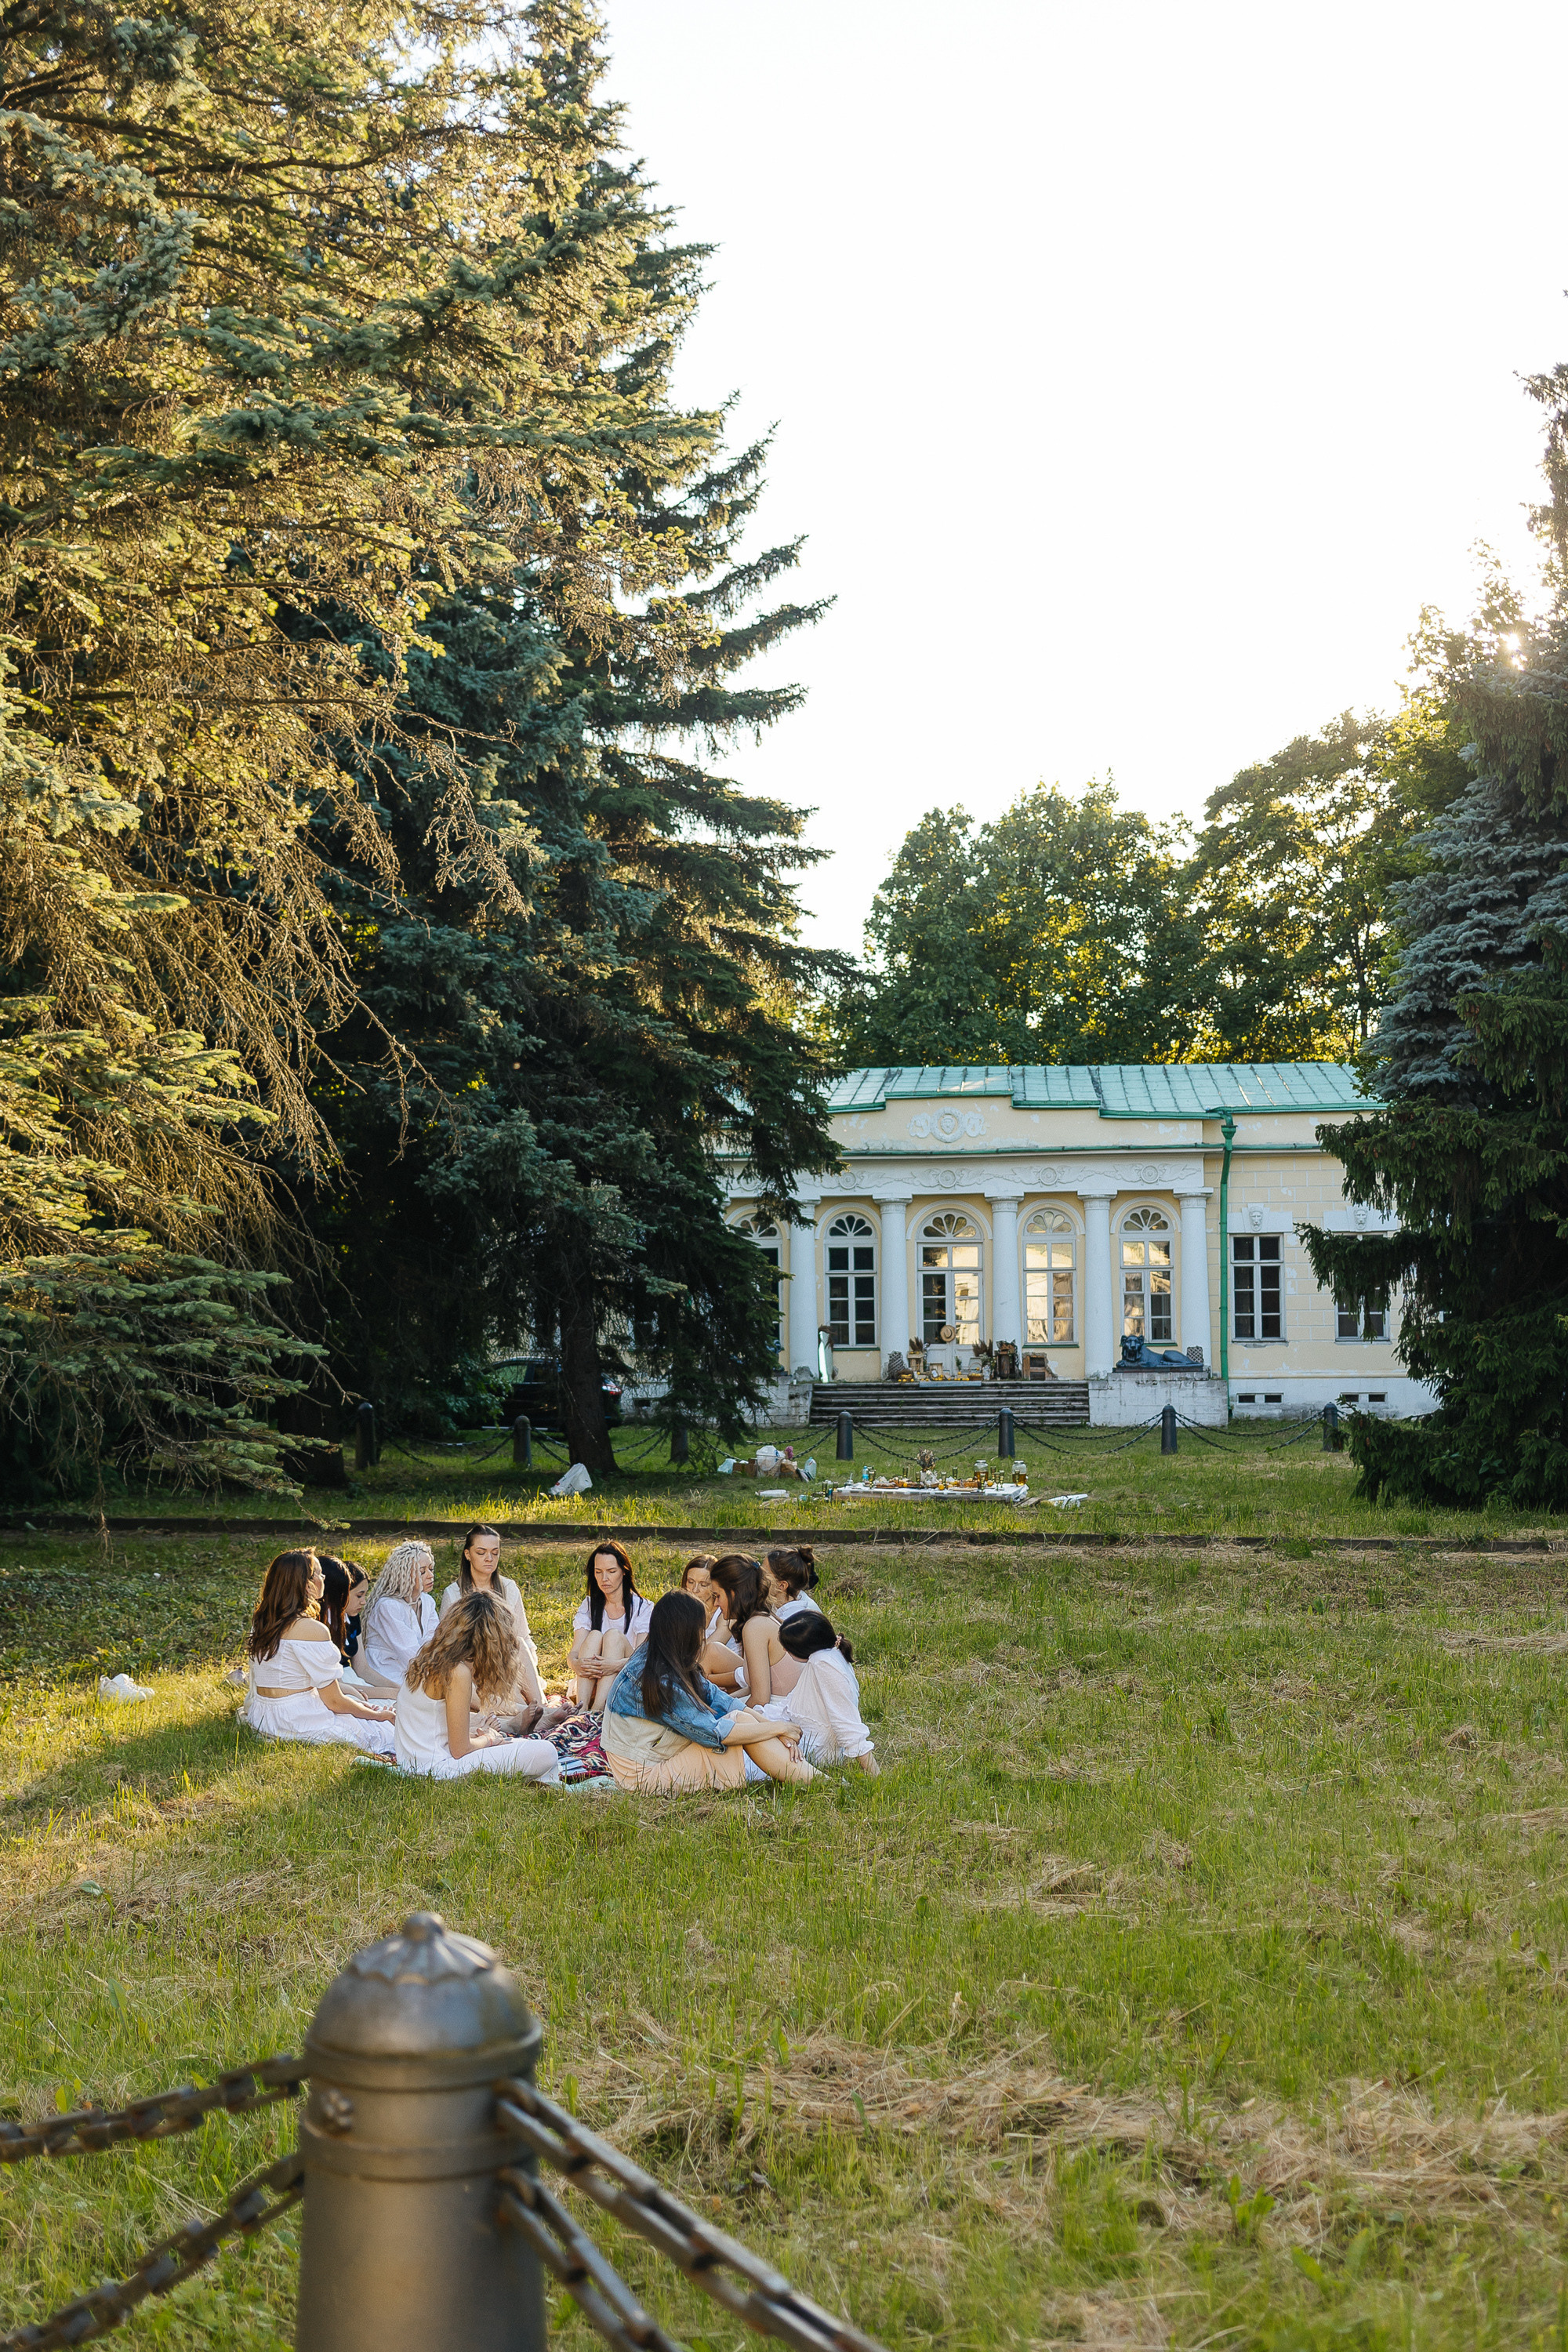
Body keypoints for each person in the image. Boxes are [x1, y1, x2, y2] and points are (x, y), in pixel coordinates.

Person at [601, 1592, 815, 1791]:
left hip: (657, 1756)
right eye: (701, 1630)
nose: (704, 1637)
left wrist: (774, 1728)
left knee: (740, 1718)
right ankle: (816, 1782)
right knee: (738, 1726)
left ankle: (814, 1779)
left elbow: (719, 1698)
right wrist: (777, 1727)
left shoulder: (661, 1653)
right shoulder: (660, 1680)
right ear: (684, 1634)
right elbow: (714, 1733)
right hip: (642, 1777)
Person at [240, 1551, 397, 1755]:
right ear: (307, 1585)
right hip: (297, 1719)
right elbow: (334, 1701)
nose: (323, 1578)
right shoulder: (313, 1630)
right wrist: (377, 1716)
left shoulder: (262, 1622)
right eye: (320, 1574)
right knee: (388, 1732)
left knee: (368, 1713)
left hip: (264, 1714)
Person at [394, 1594, 563, 1784]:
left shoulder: (432, 1656)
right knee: (546, 1751)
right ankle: (552, 1784)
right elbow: (460, 1750)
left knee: (523, 1746)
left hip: (415, 1765)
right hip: (438, 1770)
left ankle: (549, 1785)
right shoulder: (457, 1672)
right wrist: (489, 1739)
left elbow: (436, 1730)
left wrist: (480, 1735)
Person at [437, 1524, 547, 1716]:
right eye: (481, 1552)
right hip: (473, 1668)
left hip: (508, 1663)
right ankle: (524, 1711)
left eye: (495, 1553)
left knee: (519, 1644)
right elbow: (447, 1646)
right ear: (467, 1554)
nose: (489, 1558)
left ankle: (540, 1707)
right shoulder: (454, 1593)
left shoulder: (509, 1588)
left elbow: (522, 1635)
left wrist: (532, 1676)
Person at [778, 1613, 878, 1774]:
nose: (784, 1649)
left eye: (788, 1647)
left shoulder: (823, 1664)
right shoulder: (826, 1655)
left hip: (812, 1748)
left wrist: (876, 1775)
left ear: (804, 1648)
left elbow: (846, 1722)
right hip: (797, 1732)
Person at [706, 1552, 800, 1709]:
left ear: (733, 1593)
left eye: (718, 1596)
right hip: (775, 1705)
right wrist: (720, 1703)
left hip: (779, 1710)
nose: (716, 1603)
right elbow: (751, 1688)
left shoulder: (755, 1627)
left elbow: (760, 1699)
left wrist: (722, 1715)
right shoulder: (758, 1619)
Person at [568, 1542, 652, 1711]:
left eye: (611, 1571)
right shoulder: (589, 1605)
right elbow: (575, 1652)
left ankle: (598, 1710)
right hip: (594, 1677)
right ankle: (582, 1709)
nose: (604, 1579)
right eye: (598, 1572)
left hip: (629, 1675)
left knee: (613, 1636)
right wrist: (575, 1664)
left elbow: (642, 1659)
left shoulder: (644, 1607)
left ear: (624, 1571)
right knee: (594, 1636)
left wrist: (614, 1665)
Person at [357, 1541, 439, 1697]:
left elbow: (434, 1642)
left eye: (431, 1569)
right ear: (404, 1575)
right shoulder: (388, 1606)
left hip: (421, 1668)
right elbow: (410, 1654)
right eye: (422, 1571)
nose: (430, 1575)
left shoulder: (427, 1601)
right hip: (388, 1673)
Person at [318, 1555, 368, 1665]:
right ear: (341, 1593)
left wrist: (390, 1684)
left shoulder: (353, 1617)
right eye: (359, 1596)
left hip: (348, 1678)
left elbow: (363, 1668)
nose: (363, 1602)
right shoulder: (319, 1623)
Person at [764, 1546, 823, 1622]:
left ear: (782, 1586)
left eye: (764, 1574)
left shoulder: (795, 1620)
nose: (757, 1576)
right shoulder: (790, 1599)